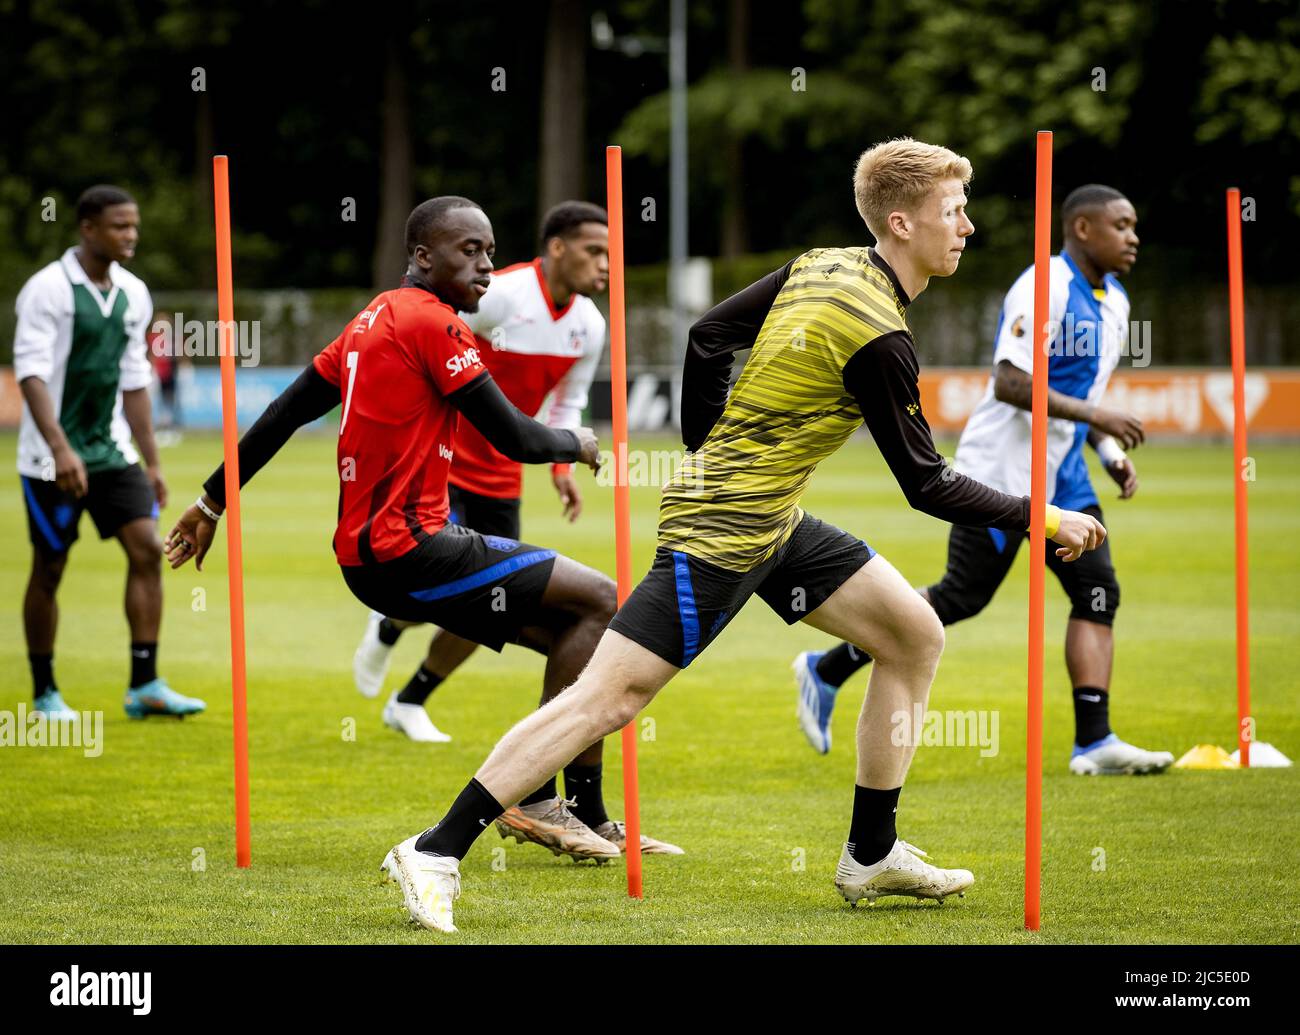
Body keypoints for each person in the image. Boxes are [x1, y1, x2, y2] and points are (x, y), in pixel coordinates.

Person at [376, 139, 1107, 933]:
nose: (967, 225)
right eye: (953, 211)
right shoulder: (881, 337)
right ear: (902, 221)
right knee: (608, 697)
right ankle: (436, 847)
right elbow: (926, 484)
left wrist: (709, 450)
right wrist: (1047, 517)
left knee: (912, 634)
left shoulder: (826, 264)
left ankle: (871, 851)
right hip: (725, 528)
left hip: (769, 516)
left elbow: (706, 335)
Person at [165, 196, 675, 864]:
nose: (486, 266)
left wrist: (210, 502)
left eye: (490, 251)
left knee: (575, 630)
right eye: (469, 250)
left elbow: (286, 411)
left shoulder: (373, 315)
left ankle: (585, 811)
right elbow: (516, 437)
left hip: (373, 557)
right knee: (604, 598)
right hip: (410, 549)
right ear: (422, 255)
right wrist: (576, 441)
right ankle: (541, 797)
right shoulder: (434, 325)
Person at [793, 184, 1174, 777]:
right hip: (997, 471)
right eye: (1121, 226)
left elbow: (1081, 394)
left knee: (1098, 590)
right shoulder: (1042, 286)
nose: (1133, 237)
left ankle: (1094, 742)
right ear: (1082, 229)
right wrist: (1100, 419)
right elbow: (1009, 383)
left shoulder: (1117, 302)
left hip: (1063, 476)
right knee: (961, 597)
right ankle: (825, 669)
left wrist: (1104, 448)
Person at [16, 184, 203, 720]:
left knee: (148, 550)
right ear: (88, 228)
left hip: (111, 450)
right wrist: (60, 448)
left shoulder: (133, 293)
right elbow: (29, 372)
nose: (131, 236)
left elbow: (134, 379)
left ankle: (144, 685)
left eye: (134, 226)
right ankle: (46, 691)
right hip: (49, 457)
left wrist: (153, 461)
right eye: (120, 226)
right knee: (50, 567)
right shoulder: (47, 290)